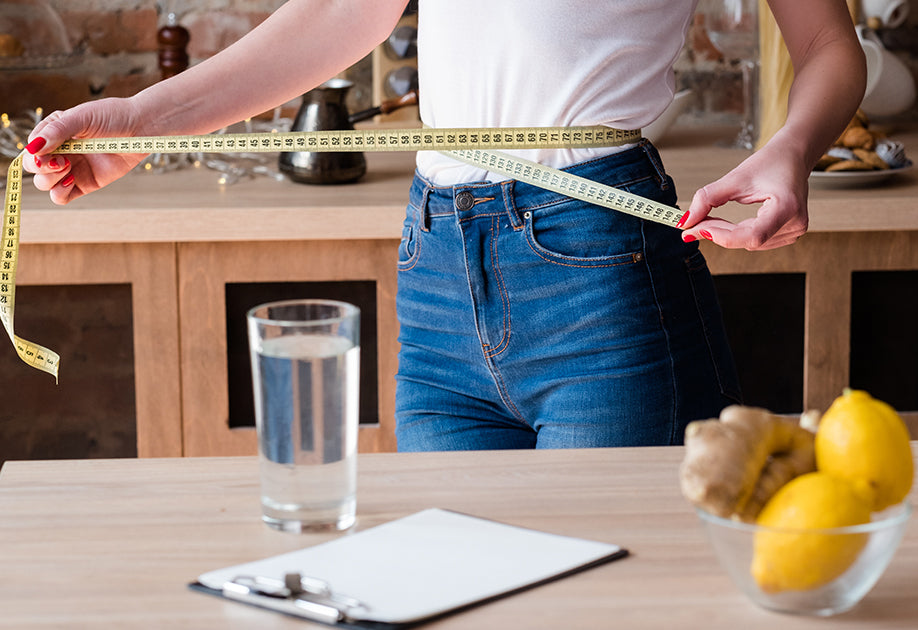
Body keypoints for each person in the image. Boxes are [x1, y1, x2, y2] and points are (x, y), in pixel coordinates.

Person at [23, 1, 865, 451]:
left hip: (598, 260)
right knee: (457, 593)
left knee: (606, 599)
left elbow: (828, 42)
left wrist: (793, 148)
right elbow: (342, 13)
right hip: (436, 271)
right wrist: (143, 120)